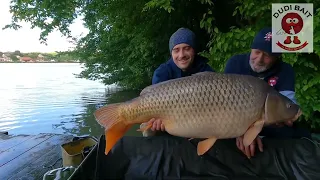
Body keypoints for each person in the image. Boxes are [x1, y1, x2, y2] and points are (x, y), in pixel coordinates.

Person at [224, 27, 311, 158]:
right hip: (235, 121)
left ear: (277, 57)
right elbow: (223, 105)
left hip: (268, 123)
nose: (259, 59)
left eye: (267, 55)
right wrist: (242, 132)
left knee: (292, 134)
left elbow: (288, 110)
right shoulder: (235, 63)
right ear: (251, 49)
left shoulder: (285, 70)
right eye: (257, 52)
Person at [140, 27, 215, 137]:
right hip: (169, 123)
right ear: (171, 53)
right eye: (176, 50)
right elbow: (154, 106)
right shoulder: (162, 73)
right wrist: (154, 125)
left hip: (198, 123)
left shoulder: (206, 71)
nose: (181, 55)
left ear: (194, 50)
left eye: (187, 48)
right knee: (148, 131)